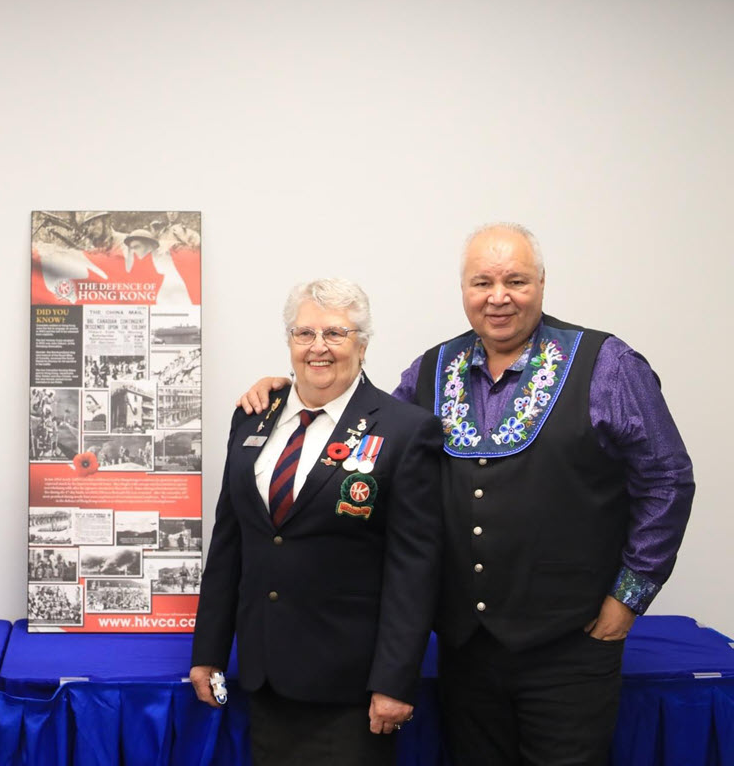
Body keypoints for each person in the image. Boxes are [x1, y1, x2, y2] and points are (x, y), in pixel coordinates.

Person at [237, 224, 695, 765]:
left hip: (570, 643)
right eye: (482, 283)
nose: (498, 297)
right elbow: (368, 424)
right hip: (465, 647)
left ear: (542, 283)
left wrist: (628, 597)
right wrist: (293, 395)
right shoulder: (431, 370)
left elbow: (667, 478)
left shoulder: (606, 364)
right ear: (463, 290)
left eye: (515, 281)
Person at [192, 278, 443, 765]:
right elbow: (230, 542)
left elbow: (415, 570)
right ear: (289, 341)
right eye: (305, 333)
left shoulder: (405, 430)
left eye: (336, 333)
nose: (318, 347)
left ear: (362, 345)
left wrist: (394, 681)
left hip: (351, 687)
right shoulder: (252, 418)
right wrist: (209, 651)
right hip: (267, 677)